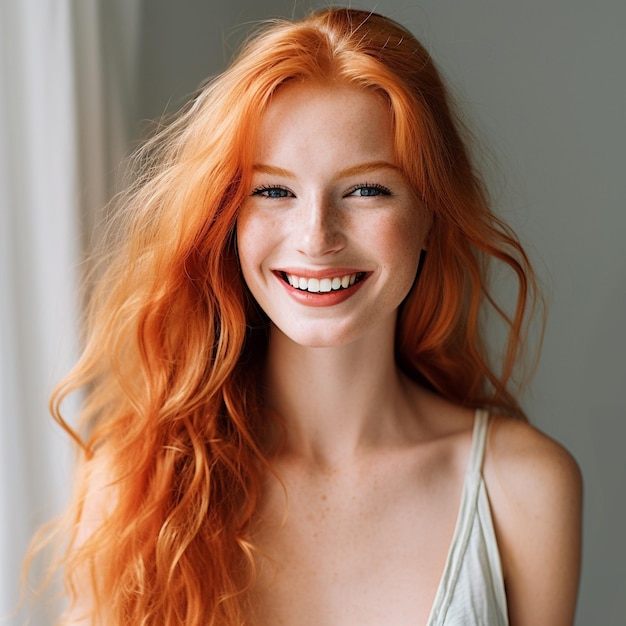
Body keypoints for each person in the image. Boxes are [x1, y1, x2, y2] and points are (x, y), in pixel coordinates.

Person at [31, 7, 582, 625]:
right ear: (227, 220)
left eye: (367, 189)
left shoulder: (523, 488)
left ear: (430, 214)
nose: (316, 237)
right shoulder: (136, 483)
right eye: (273, 191)